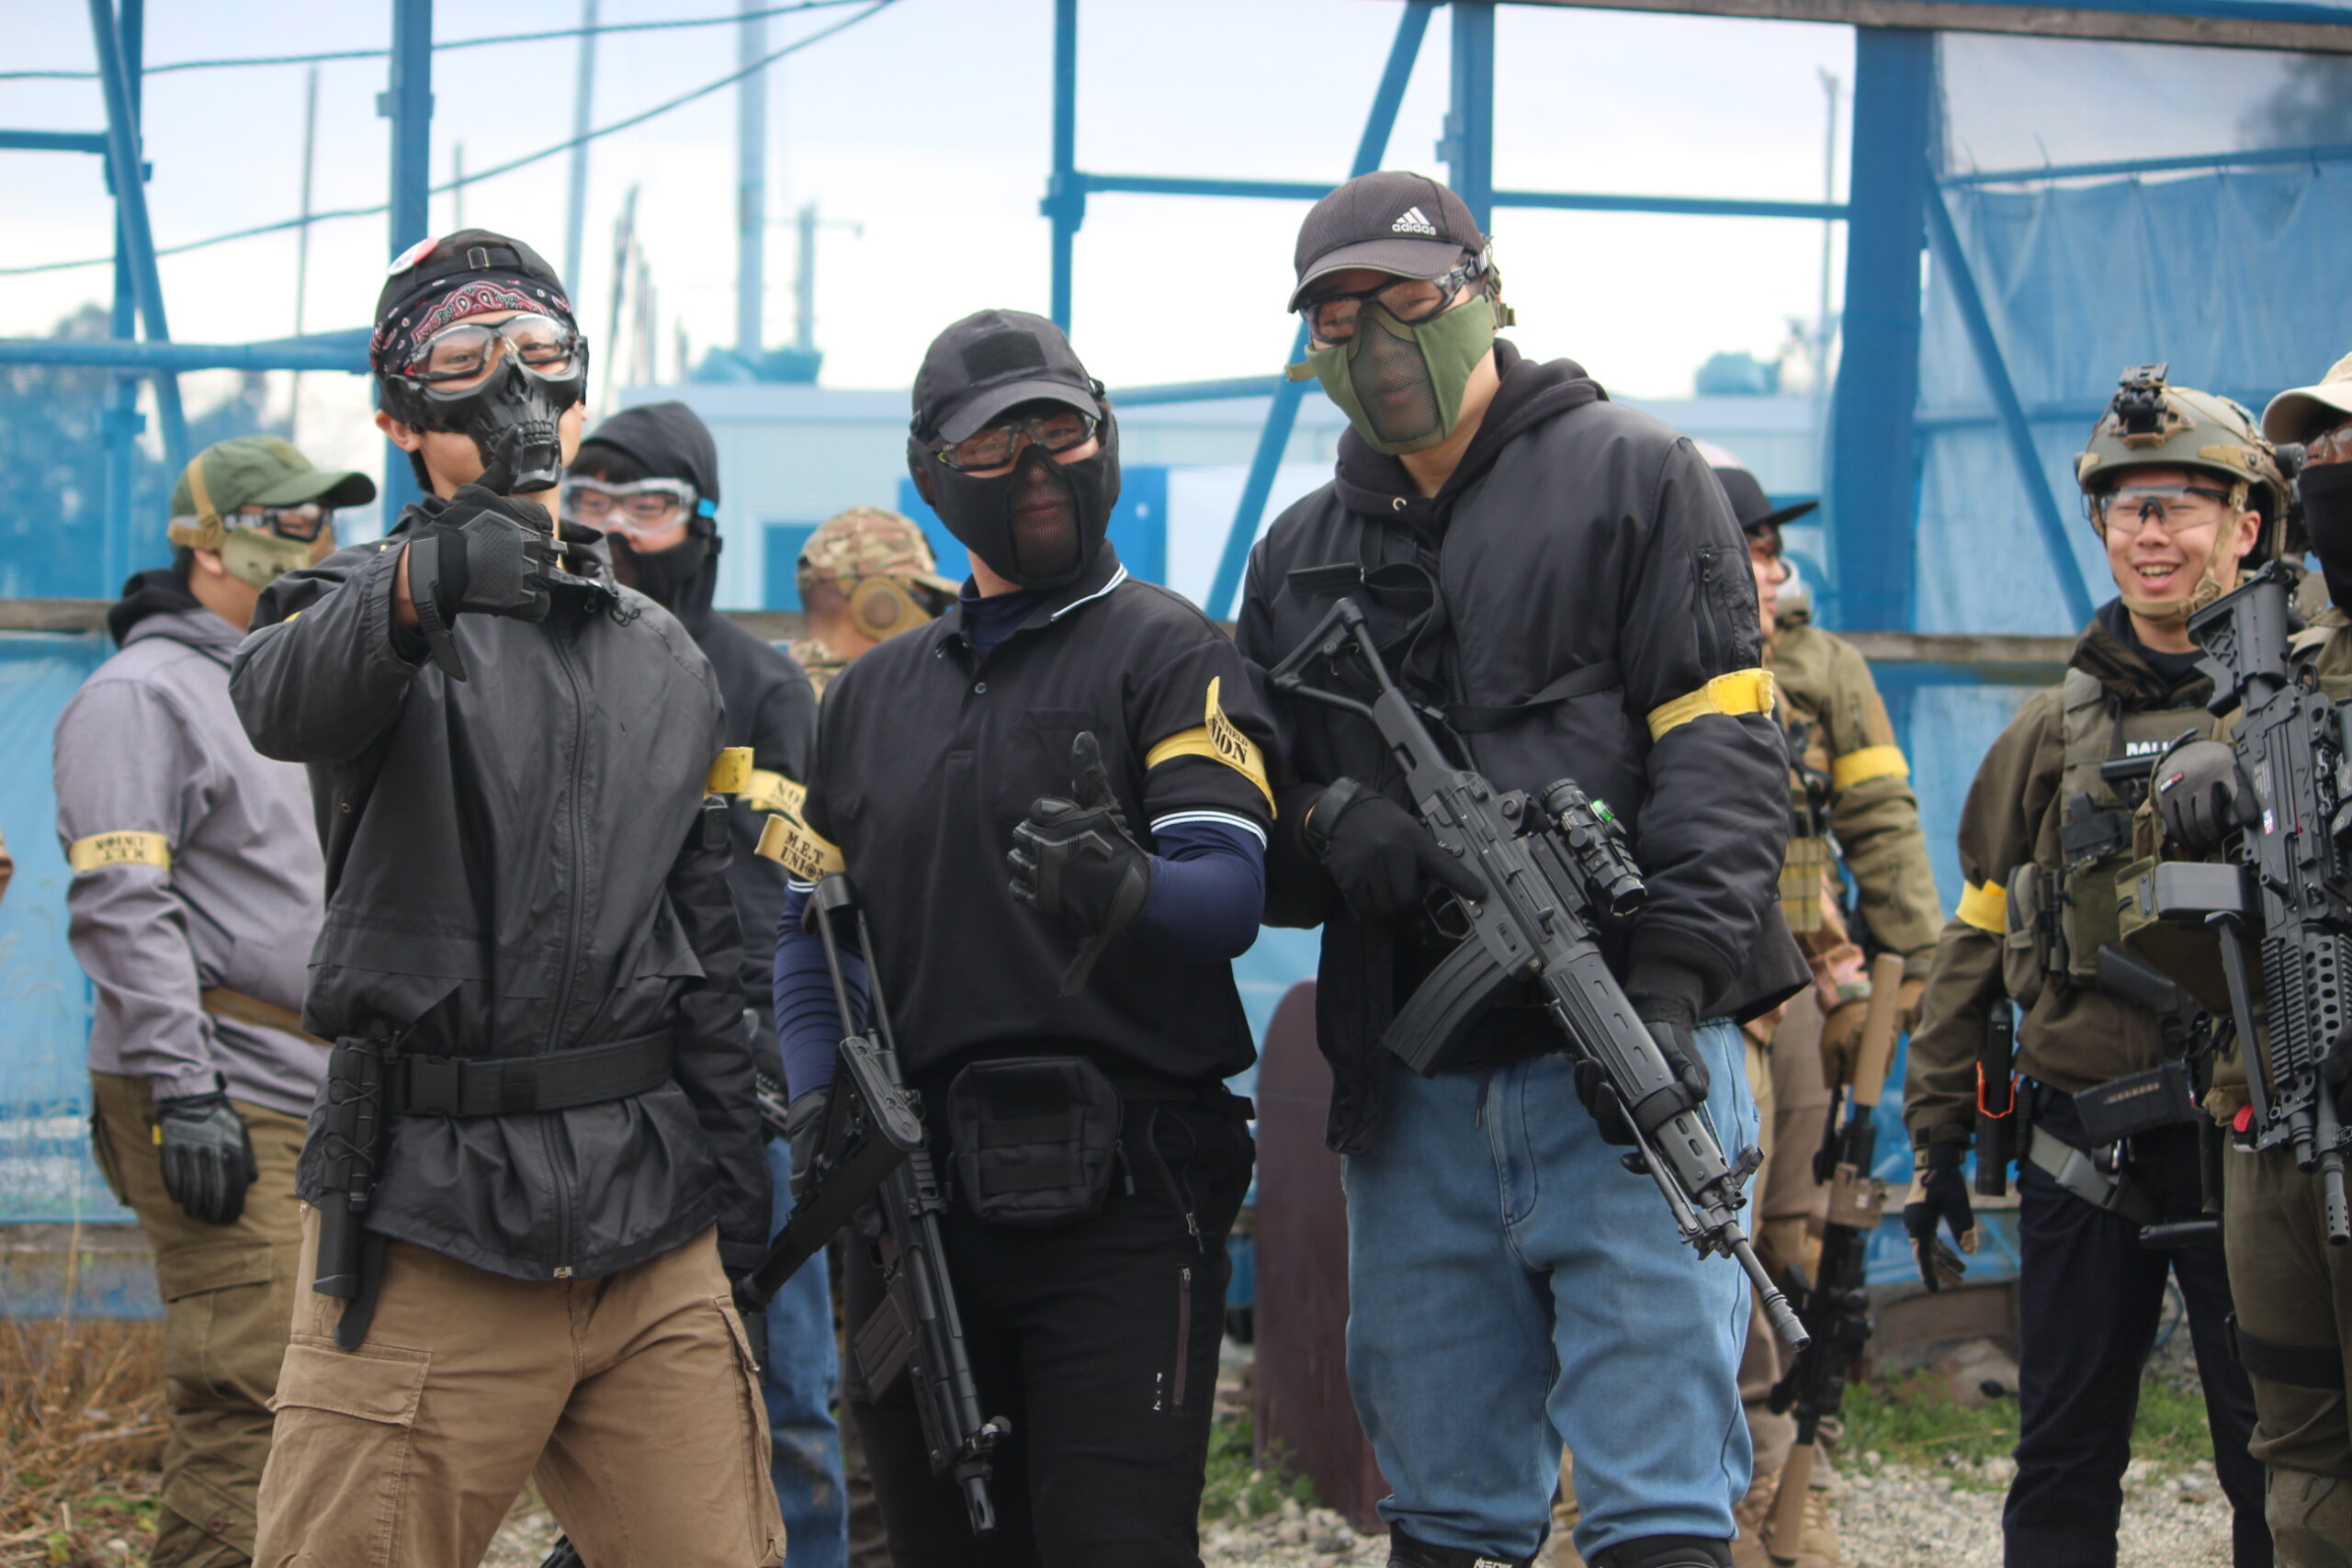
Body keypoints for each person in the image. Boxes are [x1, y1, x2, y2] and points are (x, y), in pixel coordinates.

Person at [1236, 170, 1807, 1568]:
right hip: (1417, 1088)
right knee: (1443, 1509)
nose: (1377, 340)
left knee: (1659, 1503)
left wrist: (1670, 985)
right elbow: (1252, 799)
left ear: (1485, 294)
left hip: (1629, 1061)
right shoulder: (1300, 552)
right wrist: (1325, 826)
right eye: (1337, 315)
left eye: (1406, 298)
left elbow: (1723, 750)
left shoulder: (1638, 473)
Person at [229, 228, 781, 1568]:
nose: (512, 385)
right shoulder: (355, 605)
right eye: (464, 357)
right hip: (429, 1215)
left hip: (650, 1223)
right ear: (398, 418)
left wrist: (738, 1183)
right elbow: (279, 698)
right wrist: (420, 584)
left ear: (581, 388)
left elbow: (708, 936)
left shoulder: (664, 654)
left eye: (538, 349)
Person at [767, 308, 1269, 1566]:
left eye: (1059, 429)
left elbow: (1227, 896)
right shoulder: (868, 696)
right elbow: (813, 937)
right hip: (917, 1202)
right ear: (932, 473)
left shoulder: (1173, 651)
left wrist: (1128, 884)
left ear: (1105, 434)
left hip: (1121, 1201)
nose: (1036, 465)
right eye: (994, 445)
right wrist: (821, 1098)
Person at [1902, 366, 2275, 1567]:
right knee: (2061, 1462)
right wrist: (1937, 1136)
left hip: (2259, 1145)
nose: (2149, 533)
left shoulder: (2298, 719)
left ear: (2247, 526)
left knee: (2281, 1459)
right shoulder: (2046, 736)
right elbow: (1974, 940)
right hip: (2084, 1151)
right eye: (2126, 505)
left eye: (2180, 504)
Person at [53, 434, 371, 1568]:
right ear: (208, 541)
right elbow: (121, 901)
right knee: (250, 1394)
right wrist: (185, 1090)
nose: (314, 541)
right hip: (222, 1087)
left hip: (314, 1087)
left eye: (323, 519)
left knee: (324, 1400)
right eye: (286, 522)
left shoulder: (280, 685)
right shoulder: (143, 696)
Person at [564, 401, 842, 1568]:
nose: (616, 530)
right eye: (590, 501)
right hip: (581, 1097)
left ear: (704, 526)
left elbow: (769, 906)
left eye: (651, 507)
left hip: (738, 1092)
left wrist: (761, 1084)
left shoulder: (761, 687)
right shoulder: (541, 665)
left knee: (787, 1401)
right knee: (598, 1405)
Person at [2155, 350, 2352, 1564]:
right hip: (2278, 1113)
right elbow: (2168, 911)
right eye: (2321, 453)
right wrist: (2189, 781)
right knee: (2300, 1456)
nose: (2332, 470)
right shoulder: (2283, 666)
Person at [782, 500, 956, 1568]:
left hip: (808, 1074)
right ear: (879, 597)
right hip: (849, 1068)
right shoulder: (842, 708)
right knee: (876, 1358)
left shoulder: (776, 696)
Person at [787, 505, 957, 699]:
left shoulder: (780, 692)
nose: (933, 619)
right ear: (875, 600)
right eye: (929, 604)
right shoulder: (872, 700)